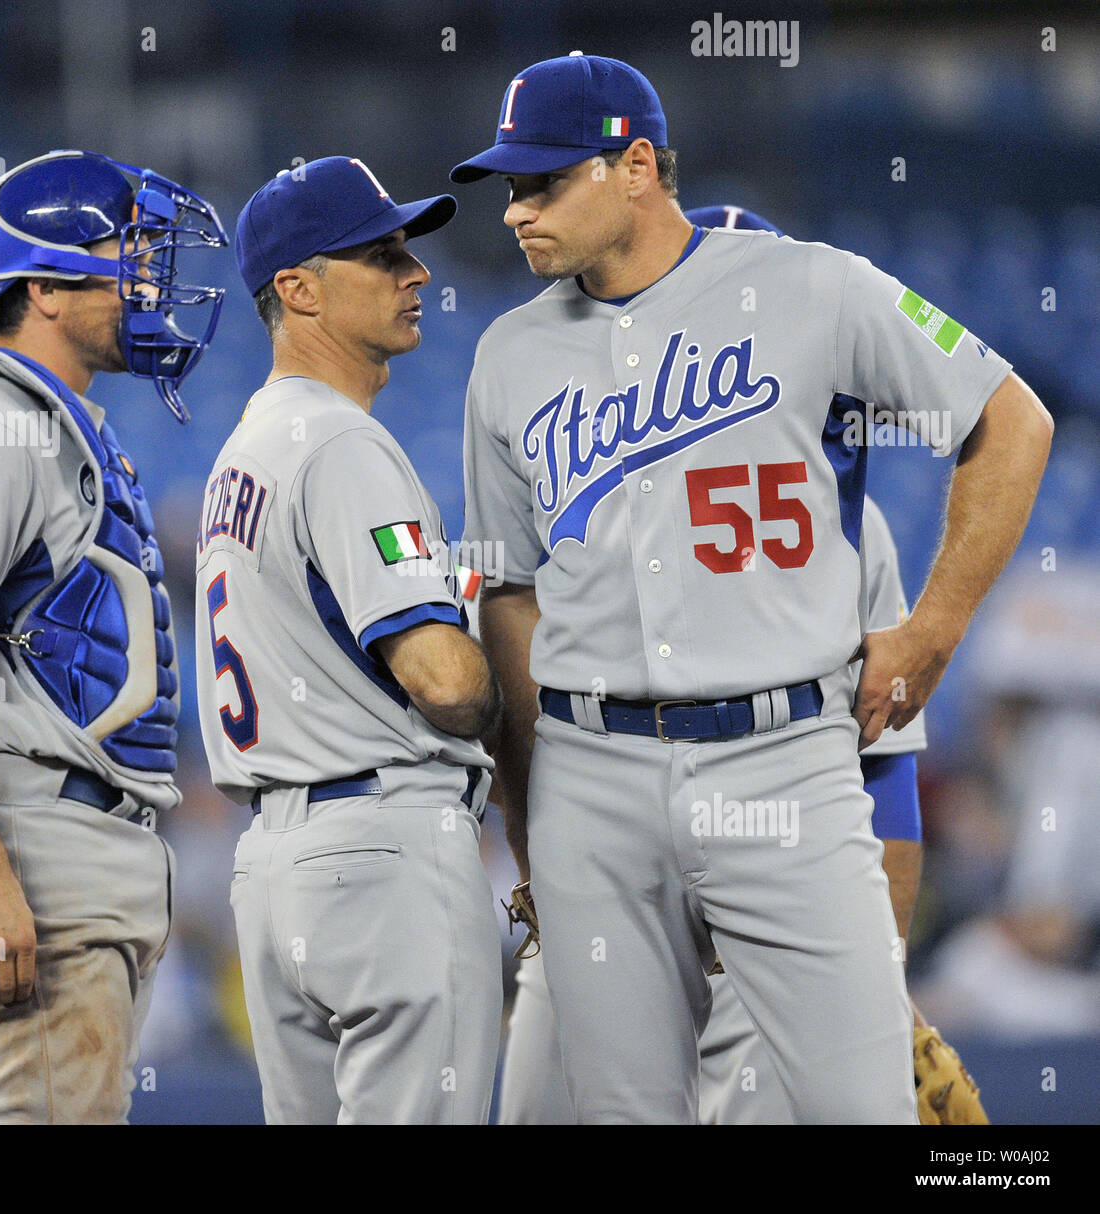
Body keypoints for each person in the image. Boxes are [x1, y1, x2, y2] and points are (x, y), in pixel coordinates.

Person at [452, 54, 1052, 1123]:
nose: (517, 210)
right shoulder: (508, 353)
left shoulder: (807, 284)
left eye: (543, 181)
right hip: (593, 769)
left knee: (862, 1107)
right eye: (510, 187)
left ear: (635, 164)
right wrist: (533, 806)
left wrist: (933, 629)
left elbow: (1010, 418)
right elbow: (506, 591)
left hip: (781, 757)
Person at [496, 205, 985, 1125]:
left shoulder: (846, 527)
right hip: (609, 884)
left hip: (772, 896)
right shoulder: (580, 500)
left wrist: (879, 983)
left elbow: (885, 779)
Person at [0, 149, 228, 1123]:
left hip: (82, 860)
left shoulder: (62, 426)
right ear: (46, 288)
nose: (148, 278)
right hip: (32, 853)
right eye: (125, 252)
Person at [197, 156, 503, 1124]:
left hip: (279, 871)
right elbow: (446, 683)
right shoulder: (339, 444)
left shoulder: (244, 448)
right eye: (381, 255)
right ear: (297, 289)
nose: (416, 275)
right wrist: (513, 667)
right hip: (384, 852)